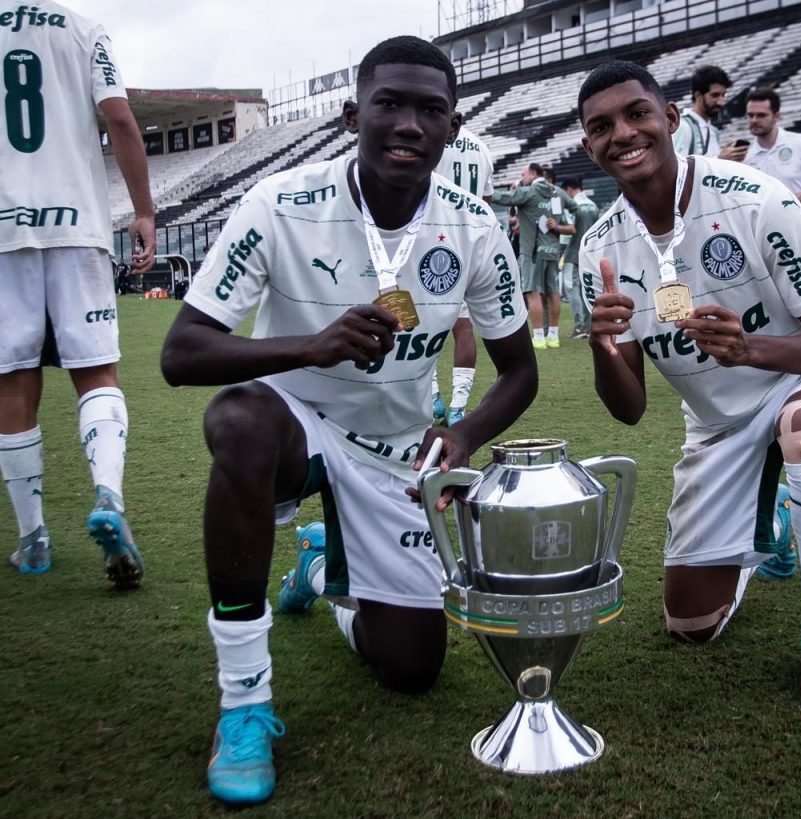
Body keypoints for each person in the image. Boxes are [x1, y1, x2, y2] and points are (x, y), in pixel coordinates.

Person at [160, 36, 536, 806]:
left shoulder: (473, 227)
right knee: (239, 422)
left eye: (430, 110)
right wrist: (311, 344)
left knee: (412, 669)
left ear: (453, 127)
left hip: (394, 451)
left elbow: (520, 371)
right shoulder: (279, 202)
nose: (408, 125)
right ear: (351, 113)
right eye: (389, 104)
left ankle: (325, 569)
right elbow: (181, 351)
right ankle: (244, 701)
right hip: (293, 420)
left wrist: (463, 434)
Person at [577, 60, 801, 721]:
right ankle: (766, 522)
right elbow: (628, 410)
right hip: (718, 422)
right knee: (691, 625)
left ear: (673, 120)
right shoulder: (598, 248)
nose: (622, 134)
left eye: (636, 115)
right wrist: (602, 348)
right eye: (600, 127)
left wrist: (752, 349)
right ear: (587, 146)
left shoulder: (758, 199)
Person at [0, 1, 155, 584]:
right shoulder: (82, 29)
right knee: (96, 374)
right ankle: (109, 498)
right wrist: (143, 210)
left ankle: (33, 539)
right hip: (76, 224)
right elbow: (118, 119)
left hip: (3, 233)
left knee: (12, 380)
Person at [431, 125, 495, 425]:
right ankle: (458, 406)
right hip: (472, 245)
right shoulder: (482, 149)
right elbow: (487, 203)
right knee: (464, 327)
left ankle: (432, 398)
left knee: (417, 321)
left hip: (434, 241)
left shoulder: (436, 139)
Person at [492, 162, 576, 349]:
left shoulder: (529, 191)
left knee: (533, 292)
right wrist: (561, 226)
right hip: (553, 251)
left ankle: (538, 337)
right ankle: (553, 337)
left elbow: (504, 197)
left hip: (532, 253)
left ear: (533, 173)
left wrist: (483, 193)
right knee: (553, 292)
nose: (522, 178)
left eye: (523, 174)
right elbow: (574, 206)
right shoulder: (557, 192)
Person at [743, 87, 801, 242]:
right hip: (768, 239)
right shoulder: (745, 156)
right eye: (750, 115)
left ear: (777, 116)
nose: (754, 120)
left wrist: (792, 198)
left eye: (761, 115)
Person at [671, 64, 747, 162]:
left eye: (723, 95)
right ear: (698, 95)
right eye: (715, 95)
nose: (721, 102)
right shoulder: (683, 126)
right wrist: (719, 159)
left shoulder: (713, 131)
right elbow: (676, 168)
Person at [560, 178, 600, 338]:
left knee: (572, 289)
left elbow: (567, 235)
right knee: (588, 289)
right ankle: (591, 326)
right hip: (590, 254)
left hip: (573, 254)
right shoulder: (593, 206)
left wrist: (559, 253)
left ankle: (579, 326)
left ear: (569, 189)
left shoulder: (572, 207)